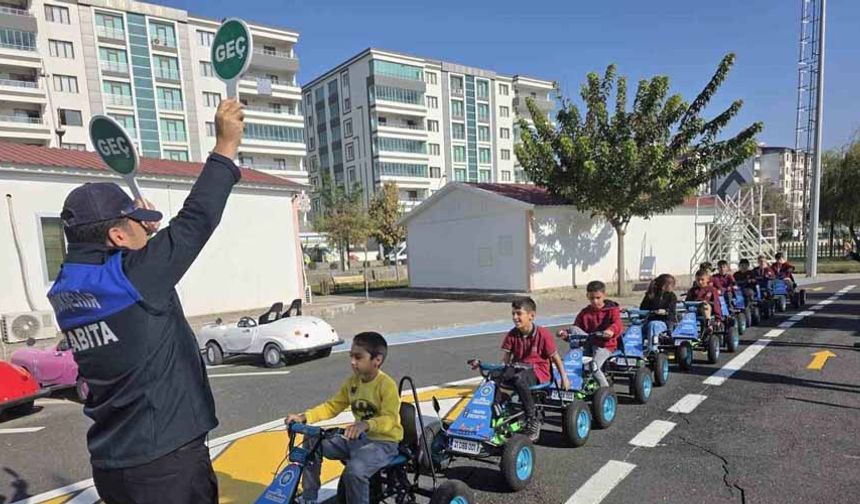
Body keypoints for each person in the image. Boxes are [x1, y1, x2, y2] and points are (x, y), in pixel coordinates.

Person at [46, 99, 246, 504]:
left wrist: (141, 233)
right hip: (166, 467)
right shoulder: (136, 276)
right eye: (134, 221)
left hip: (113, 466)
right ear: (118, 237)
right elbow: (196, 218)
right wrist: (225, 146)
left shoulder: (66, 290)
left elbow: (126, 274)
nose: (144, 225)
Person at [285, 332, 402, 504]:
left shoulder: (386, 385)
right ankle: (309, 498)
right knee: (312, 441)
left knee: (355, 470)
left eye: (358, 357)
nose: (352, 362)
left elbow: (390, 419)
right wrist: (304, 417)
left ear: (376, 360)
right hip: (358, 439)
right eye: (351, 356)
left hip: (383, 443)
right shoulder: (353, 382)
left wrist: (366, 425)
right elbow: (333, 406)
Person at [482, 297, 570, 442]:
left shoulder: (543, 334)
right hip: (518, 368)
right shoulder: (512, 334)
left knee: (519, 379)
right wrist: (500, 372)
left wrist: (564, 378)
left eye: (518, 314)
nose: (515, 317)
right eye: (513, 314)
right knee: (493, 375)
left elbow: (555, 357)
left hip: (539, 371)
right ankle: (500, 408)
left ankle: (532, 417)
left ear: (531, 316)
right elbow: (506, 359)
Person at [557, 281, 623, 389]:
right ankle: (572, 384)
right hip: (588, 342)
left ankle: (605, 389)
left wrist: (610, 331)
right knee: (572, 360)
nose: (595, 301)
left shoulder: (612, 310)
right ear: (587, 296)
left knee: (593, 366)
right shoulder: (585, 312)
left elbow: (618, 324)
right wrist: (565, 333)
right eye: (592, 298)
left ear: (604, 295)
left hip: (605, 345)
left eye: (598, 298)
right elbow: (576, 328)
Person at [639, 274, 678, 345]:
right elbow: (642, 308)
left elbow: (672, 310)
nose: (673, 287)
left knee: (654, 325)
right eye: (672, 285)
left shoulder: (672, 296)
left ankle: (654, 347)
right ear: (664, 286)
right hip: (650, 320)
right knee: (636, 328)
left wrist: (665, 311)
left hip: (665, 321)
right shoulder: (651, 295)